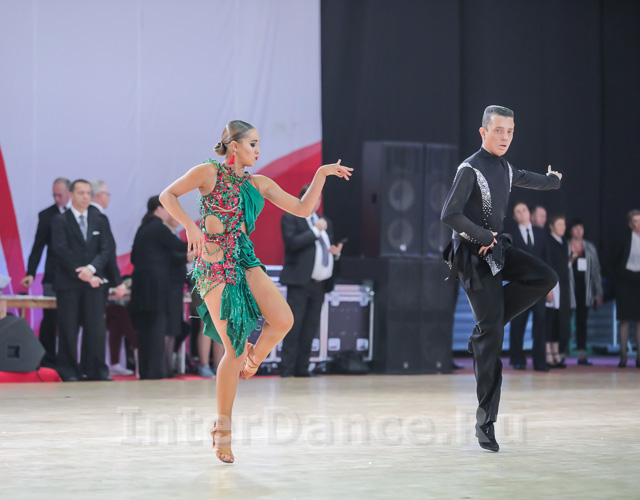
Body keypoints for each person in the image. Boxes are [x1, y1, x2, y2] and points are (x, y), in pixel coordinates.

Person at [159, 120, 352, 463]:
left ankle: (254, 359)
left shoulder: (258, 184)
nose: (259, 150)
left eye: (259, 144)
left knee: (283, 320)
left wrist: (321, 174)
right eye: (253, 144)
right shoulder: (208, 172)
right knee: (233, 347)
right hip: (215, 265)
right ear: (234, 146)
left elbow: (303, 209)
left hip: (245, 259)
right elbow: (167, 195)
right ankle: (222, 428)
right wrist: (190, 226)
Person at [441, 105, 562, 452]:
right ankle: (485, 423)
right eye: (498, 131)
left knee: (545, 276)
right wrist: (482, 236)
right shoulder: (469, 169)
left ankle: (484, 331)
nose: (505, 137)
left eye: (510, 131)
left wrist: (553, 181)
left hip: (496, 249)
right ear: (483, 132)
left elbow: (530, 178)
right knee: (493, 336)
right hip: (471, 257)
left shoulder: (506, 168)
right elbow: (450, 214)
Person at [279, 185, 343, 378]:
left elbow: (325, 248)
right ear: (303, 199)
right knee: (294, 325)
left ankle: (302, 368)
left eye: (318, 199)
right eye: (312, 198)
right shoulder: (291, 218)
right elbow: (293, 243)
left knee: (310, 327)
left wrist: (335, 254)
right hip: (299, 281)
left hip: (319, 283)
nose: (316, 203)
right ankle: (287, 369)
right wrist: (315, 230)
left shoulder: (325, 221)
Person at [51, 179, 111, 381]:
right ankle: (68, 370)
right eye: (81, 193)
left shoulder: (99, 219)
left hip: (93, 282)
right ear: (71, 195)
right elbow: (61, 250)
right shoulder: (60, 220)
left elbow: (105, 249)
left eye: (88, 193)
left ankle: (95, 370)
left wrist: (91, 269)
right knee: (68, 328)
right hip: (68, 282)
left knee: (95, 328)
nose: (85, 196)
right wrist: (82, 272)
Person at [129, 196, 188, 380]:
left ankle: (146, 370)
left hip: (140, 285)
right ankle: (156, 371)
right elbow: (179, 246)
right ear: (159, 209)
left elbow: (133, 257)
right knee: (157, 328)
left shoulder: (143, 228)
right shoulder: (158, 228)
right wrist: (204, 242)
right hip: (156, 286)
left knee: (145, 330)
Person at [21, 177, 71, 368]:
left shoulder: (80, 214)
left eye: (60, 195)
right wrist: (31, 272)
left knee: (70, 320)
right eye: (54, 195)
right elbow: (38, 246)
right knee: (50, 318)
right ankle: (48, 361)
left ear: (69, 194)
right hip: (53, 275)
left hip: (75, 277)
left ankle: (69, 361)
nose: (57, 199)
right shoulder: (47, 215)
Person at [90, 179, 129, 375]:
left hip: (88, 276)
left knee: (91, 325)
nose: (109, 199)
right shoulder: (98, 217)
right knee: (97, 325)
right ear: (99, 196)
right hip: (98, 278)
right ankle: (97, 368)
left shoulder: (87, 216)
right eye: (107, 194)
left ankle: (90, 367)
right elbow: (108, 251)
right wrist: (118, 282)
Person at [507, 202, 551, 371]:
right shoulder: (512, 236)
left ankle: (540, 361)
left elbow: (547, 260)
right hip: (520, 287)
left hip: (539, 287)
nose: (522, 213)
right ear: (515, 217)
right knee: (518, 323)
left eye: (524, 210)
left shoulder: (541, 234)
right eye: (518, 211)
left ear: (529, 213)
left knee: (541, 324)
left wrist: (550, 287)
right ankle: (517, 359)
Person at [567, 218, 603, 365]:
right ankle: (560, 352)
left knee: (582, 322)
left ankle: (582, 354)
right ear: (570, 231)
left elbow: (596, 271)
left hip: (585, 289)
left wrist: (598, 292)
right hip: (569, 288)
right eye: (576, 229)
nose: (579, 231)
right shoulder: (565, 246)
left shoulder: (589, 247)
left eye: (581, 229)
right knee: (564, 321)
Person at [545, 214, 574, 368]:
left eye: (564, 224)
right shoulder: (548, 242)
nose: (563, 228)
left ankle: (556, 352)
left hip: (562, 285)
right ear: (551, 226)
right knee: (549, 319)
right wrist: (547, 288)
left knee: (558, 319)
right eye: (559, 224)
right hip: (551, 284)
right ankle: (548, 353)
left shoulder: (564, 243)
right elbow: (547, 264)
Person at [613, 209, 640, 368]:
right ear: (630, 224)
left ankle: (639, 357)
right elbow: (614, 260)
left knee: (639, 321)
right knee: (624, 320)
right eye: (636, 221)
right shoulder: (624, 239)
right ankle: (623, 356)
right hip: (625, 281)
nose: (639, 224)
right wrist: (619, 276)